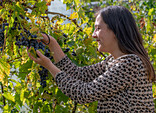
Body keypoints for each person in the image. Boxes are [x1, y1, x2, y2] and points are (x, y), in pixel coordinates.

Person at [27, 6, 156, 112]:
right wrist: (52, 43)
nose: (93, 35)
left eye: (98, 28)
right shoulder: (113, 61)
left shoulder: (130, 64)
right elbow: (79, 74)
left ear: (116, 31)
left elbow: (84, 93)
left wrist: (49, 66)